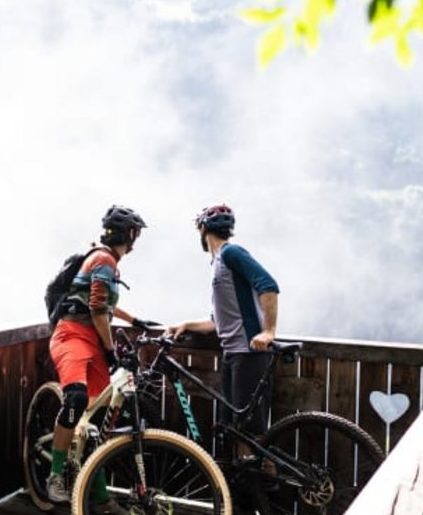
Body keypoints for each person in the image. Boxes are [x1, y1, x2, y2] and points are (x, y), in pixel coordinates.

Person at [45, 205, 153, 514]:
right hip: (72, 336)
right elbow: (96, 308)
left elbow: (104, 302)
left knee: (97, 422)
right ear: (129, 234)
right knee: (77, 400)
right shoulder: (104, 259)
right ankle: (55, 475)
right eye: (137, 234)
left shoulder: (104, 260)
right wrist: (111, 352)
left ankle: (99, 495)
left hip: (89, 338)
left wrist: (134, 319)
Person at [167, 204, 279, 466]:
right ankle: (244, 490)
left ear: (203, 229)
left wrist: (268, 331)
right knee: (234, 427)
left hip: (249, 353)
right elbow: (218, 321)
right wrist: (186, 324)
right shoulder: (219, 262)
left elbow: (269, 285)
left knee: (250, 432)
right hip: (233, 353)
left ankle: (265, 490)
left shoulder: (232, 253)